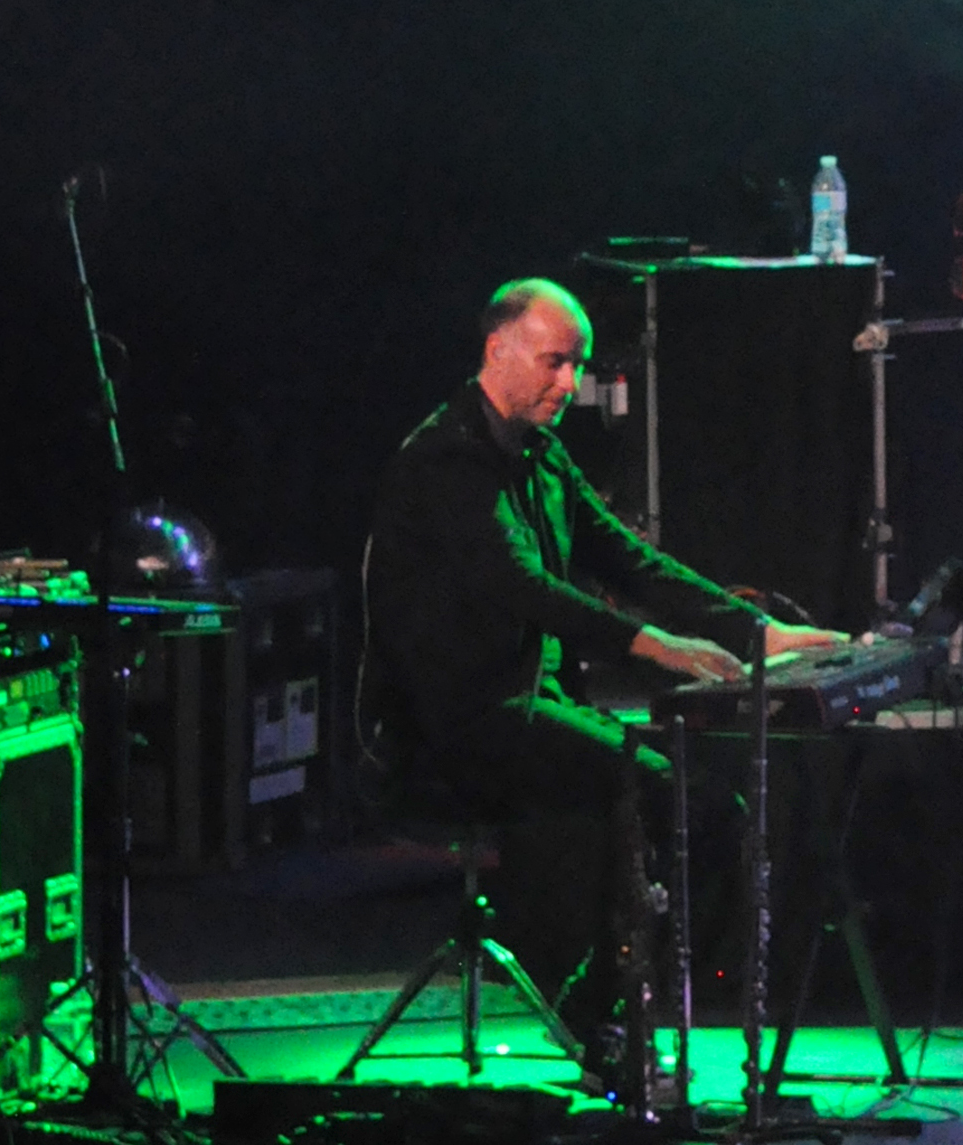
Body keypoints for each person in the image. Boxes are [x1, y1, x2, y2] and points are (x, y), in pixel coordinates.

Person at [361, 282, 844, 1058]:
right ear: (498, 351)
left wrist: (757, 634)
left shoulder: (540, 454)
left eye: (576, 367)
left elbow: (626, 558)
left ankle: (610, 1008)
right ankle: (600, 1018)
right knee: (681, 802)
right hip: (463, 717)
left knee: (700, 808)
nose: (568, 385)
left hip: (532, 703)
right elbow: (522, 584)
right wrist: (653, 646)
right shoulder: (445, 462)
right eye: (555, 363)